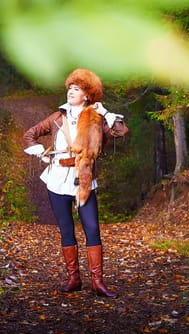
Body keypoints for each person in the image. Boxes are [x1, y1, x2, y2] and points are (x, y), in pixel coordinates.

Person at [23, 68, 124, 298]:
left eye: (76, 89)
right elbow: (30, 134)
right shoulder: (57, 117)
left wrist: (105, 111)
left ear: (87, 95)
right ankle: (74, 279)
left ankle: (97, 282)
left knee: (92, 229)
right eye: (70, 88)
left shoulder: (97, 118)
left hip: (85, 180)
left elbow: (121, 131)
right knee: (66, 230)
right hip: (57, 179)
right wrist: (41, 152)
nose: (71, 92)